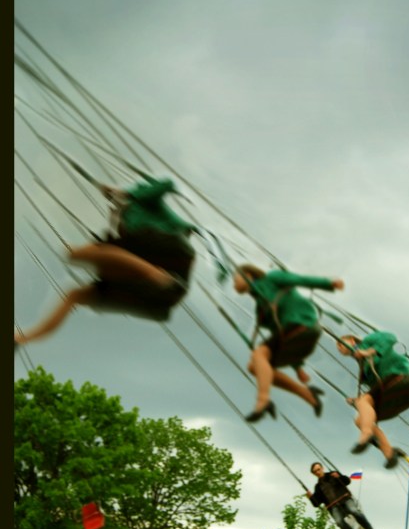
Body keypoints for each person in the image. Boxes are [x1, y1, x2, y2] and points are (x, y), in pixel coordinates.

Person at [14, 177, 195, 346]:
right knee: (75, 294)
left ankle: (157, 275)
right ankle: (20, 340)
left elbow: (168, 183)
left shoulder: (142, 200)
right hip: (148, 286)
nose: (113, 208)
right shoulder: (121, 222)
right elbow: (114, 239)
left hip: (169, 256)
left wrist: (126, 194)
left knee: (77, 254)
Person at [234, 264, 344, 421]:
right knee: (254, 366)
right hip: (297, 337)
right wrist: (298, 368)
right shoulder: (261, 310)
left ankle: (263, 400)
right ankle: (308, 395)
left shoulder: (271, 279)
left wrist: (328, 283)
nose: (234, 283)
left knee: (259, 354)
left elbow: (299, 279)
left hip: (302, 324)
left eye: (235, 278)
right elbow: (280, 337)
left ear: (248, 275)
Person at [336, 330, 409, 469]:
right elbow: (375, 390)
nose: (339, 348)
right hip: (396, 394)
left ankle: (366, 434)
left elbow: (391, 337)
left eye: (341, 344)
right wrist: (357, 401)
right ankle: (389, 453)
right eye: (338, 347)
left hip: (400, 376)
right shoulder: (362, 364)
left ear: (352, 340)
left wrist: (368, 351)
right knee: (360, 420)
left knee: (364, 403)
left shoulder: (368, 342)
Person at [306, 462, 383, 529]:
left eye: (318, 469)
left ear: (322, 468)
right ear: (313, 473)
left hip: (345, 499)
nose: (317, 472)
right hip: (333, 506)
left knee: (354, 511)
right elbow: (316, 504)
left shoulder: (332, 475)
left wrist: (339, 477)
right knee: (339, 522)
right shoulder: (318, 487)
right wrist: (311, 497)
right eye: (315, 471)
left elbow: (347, 481)